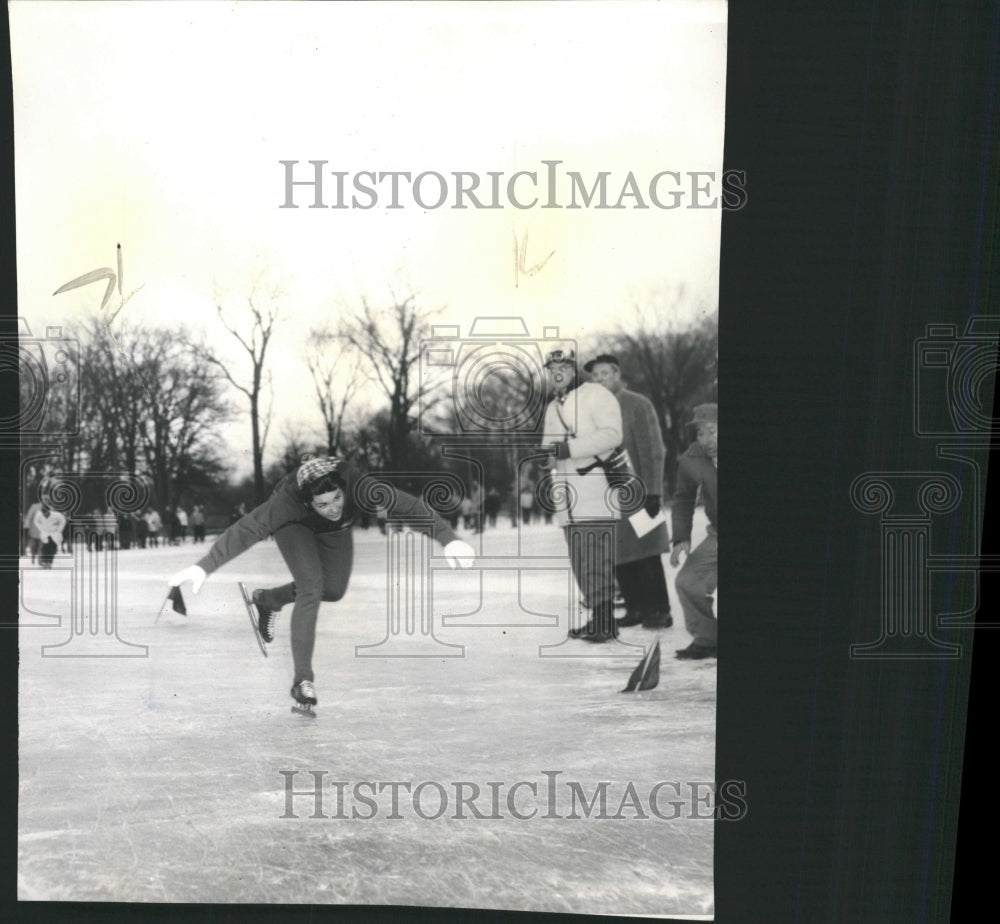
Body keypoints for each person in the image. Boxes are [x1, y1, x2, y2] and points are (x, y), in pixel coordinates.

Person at [167, 457, 476, 709]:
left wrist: (446, 538)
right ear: (307, 500)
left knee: (334, 590)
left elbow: (407, 506)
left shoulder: (361, 487)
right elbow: (247, 529)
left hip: (335, 532)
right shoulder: (286, 504)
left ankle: (269, 600)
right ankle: (302, 680)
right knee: (311, 587)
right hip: (295, 527)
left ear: (344, 489)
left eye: (337, 498)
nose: (333, 507)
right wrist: (204, 567)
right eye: (323, 503)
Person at [538, 348, 624, 643]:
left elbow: (612, 434)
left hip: (595, 489)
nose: (556, 373)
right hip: (568, 498)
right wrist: (544, 459)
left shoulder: (597, 395)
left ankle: (605, 621)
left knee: (596, 559)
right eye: (551, 369)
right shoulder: (552, 407)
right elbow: (550, 449)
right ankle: (598, 619)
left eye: (562, 367)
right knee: (580, 561)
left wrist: (567, 450)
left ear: (574, 369)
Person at [584, 354, 672, 630]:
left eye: (604, 374)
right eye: (595, 376)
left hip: (639, 490)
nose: (599, 380)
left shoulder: (637, 404)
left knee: (646, 553)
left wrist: (654, 491)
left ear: (617, 373)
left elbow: (654, 450)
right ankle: (635, 608)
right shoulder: (593, 414)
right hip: (609, 495)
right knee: (620, 554)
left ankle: (659, 609)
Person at [670, 404, 718, 659]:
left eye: (712, 431)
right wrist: (681, 537)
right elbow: (683, 498)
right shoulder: (694, 456)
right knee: (688, 583)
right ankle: (709, 638)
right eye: (701, 433)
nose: (705, 440)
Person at [33, 503, 66, 570]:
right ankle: (44, 562)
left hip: (54, 533)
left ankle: (49, 562)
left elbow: (63, 521)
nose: (45, 515)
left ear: (49, 511)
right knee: (44, 548)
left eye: (46, 513)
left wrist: (59, 530)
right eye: (44, 513)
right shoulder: (39, 515)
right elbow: (36, 521)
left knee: (52, 549)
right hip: (45, 533)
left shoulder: (57, 515)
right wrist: (41, 529)